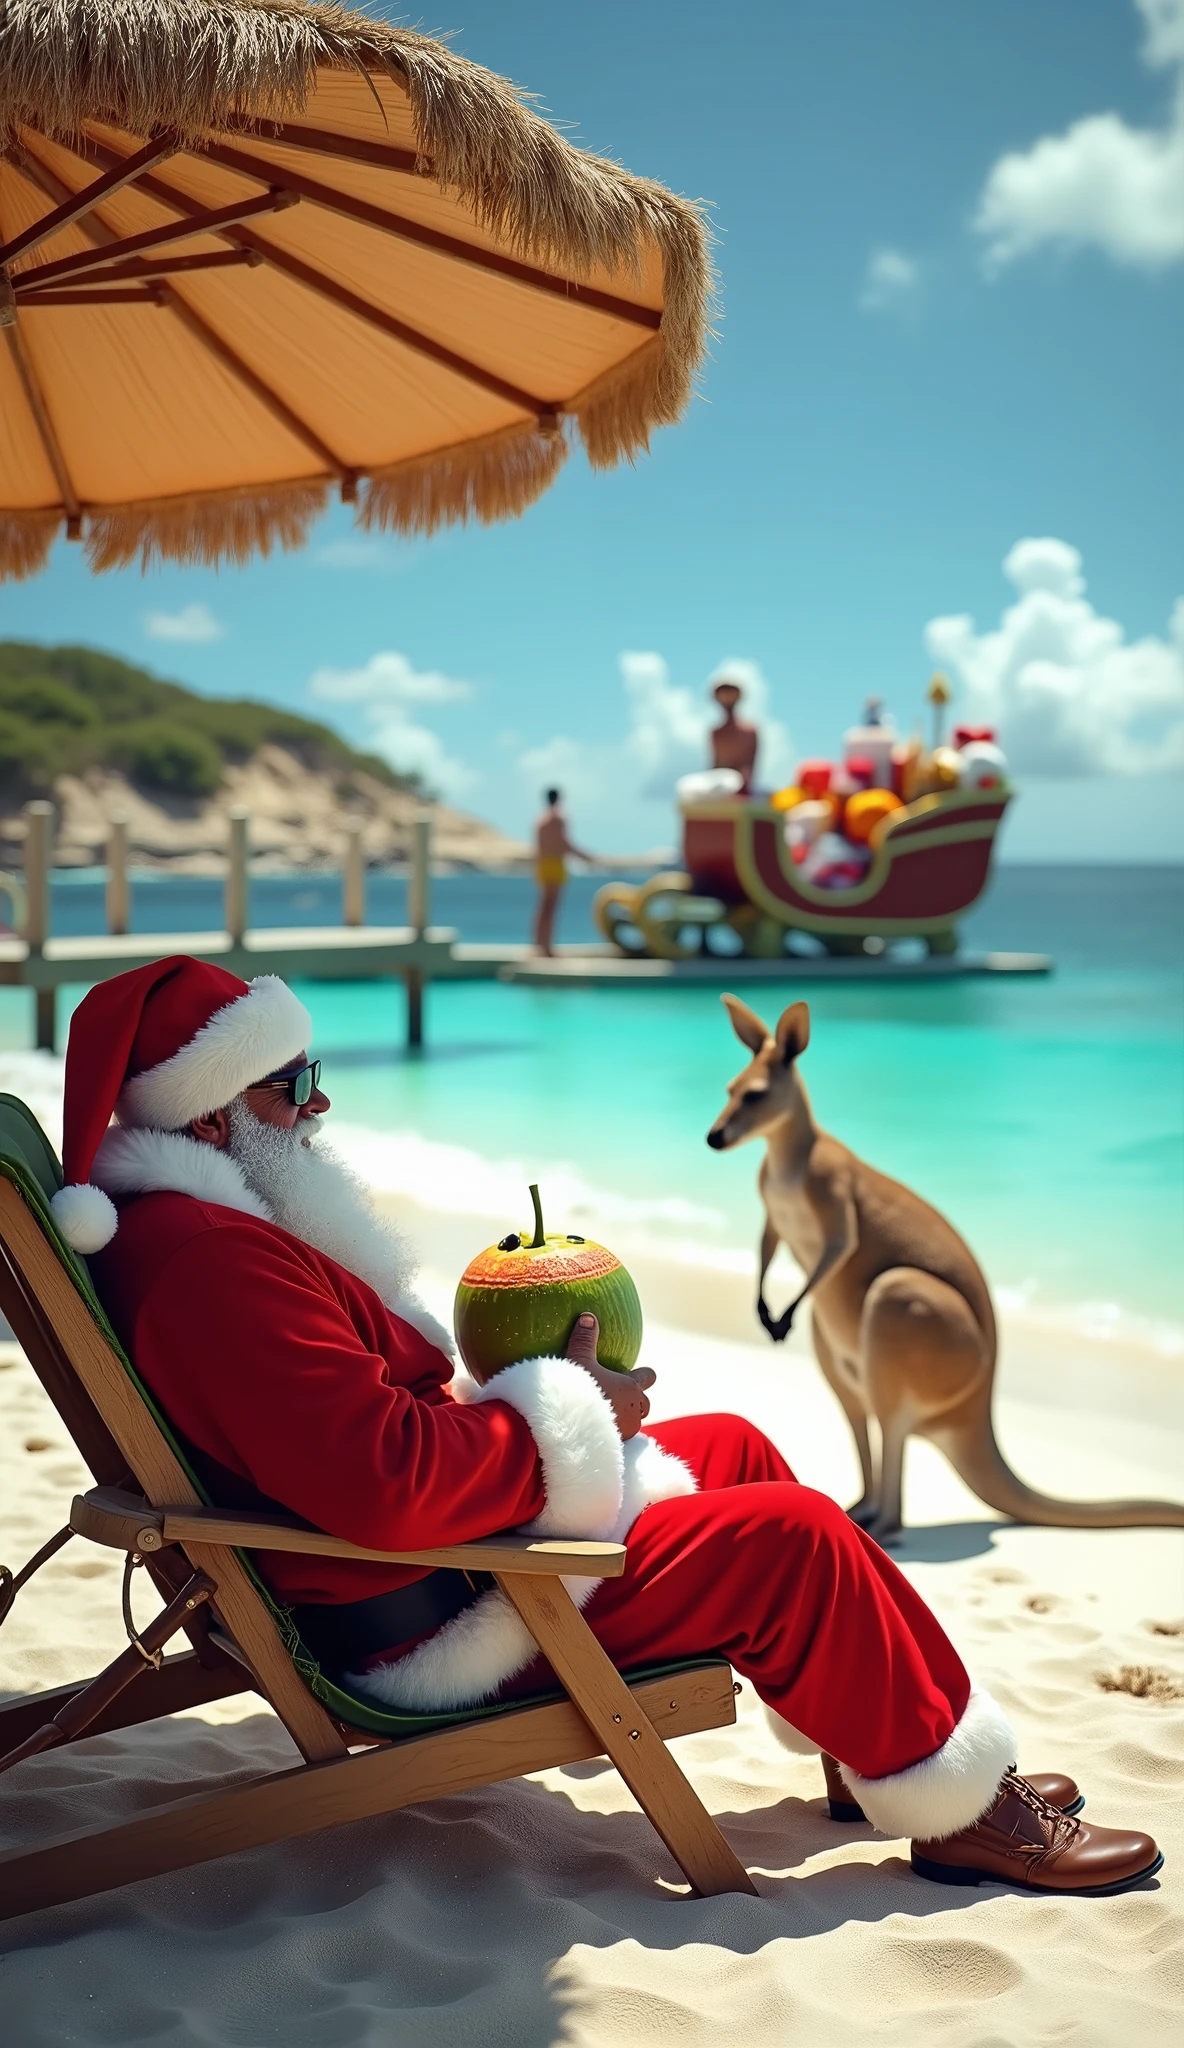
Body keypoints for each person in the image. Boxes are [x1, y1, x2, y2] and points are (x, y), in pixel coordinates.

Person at [50, 956, 1162, 1898]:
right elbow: (379, 1483)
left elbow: (353, 1442)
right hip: (425, 1620)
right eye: (291, 1085)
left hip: (425, 1563)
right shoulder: (212, 1264)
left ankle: (880, 1736)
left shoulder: (201, 1231)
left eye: (313, 1075)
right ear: (207, 1110)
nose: (319, 1106)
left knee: (728, 1442)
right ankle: (963, 1810)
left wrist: (553, 1404)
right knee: (795, 1535)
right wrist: (563, 1409)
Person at [532, 787, 593, 957]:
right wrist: (586, 857)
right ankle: (547, 948)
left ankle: (539, 945)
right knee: (551, 907)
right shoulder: (559, 818)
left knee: (543, 906)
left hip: (543, 865)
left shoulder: (540, 820)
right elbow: (564, 843)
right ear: (559, 799)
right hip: (555, 864)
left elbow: (539, 847)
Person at [709, 677, 760, 794]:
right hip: (718, 784)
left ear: (739, 696)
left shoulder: (750, 730)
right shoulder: (715, 733)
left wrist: (743, 787)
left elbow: (750, 766)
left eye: (730, 692)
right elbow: (715, 764)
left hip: (743, 786)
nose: (726, 696)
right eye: (723, 693)